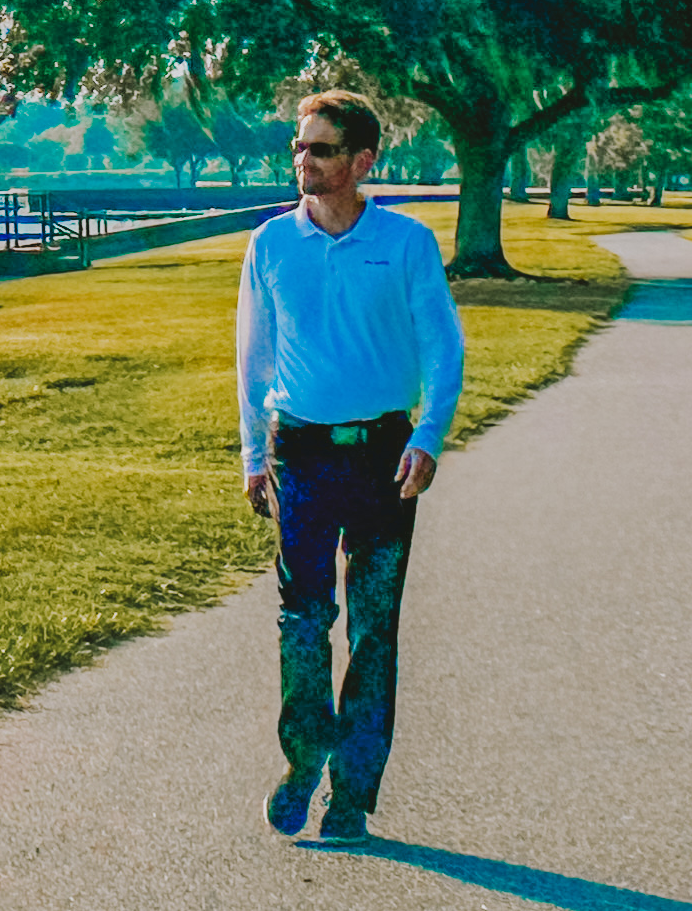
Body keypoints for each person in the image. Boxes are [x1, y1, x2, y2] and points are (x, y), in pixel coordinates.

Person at [236, 87, 465, 848]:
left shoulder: (404, 244)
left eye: (322, 148)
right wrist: (252, 455)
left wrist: (428, 436)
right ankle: (305, 762)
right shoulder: (271, 245)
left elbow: (442, 346)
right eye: (300, 146)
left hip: (382, 460)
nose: (304, 159)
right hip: (298, 455)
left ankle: (352, 797)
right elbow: (253, 359)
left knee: (373, 630)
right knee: (302, 623)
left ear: (363, 161)